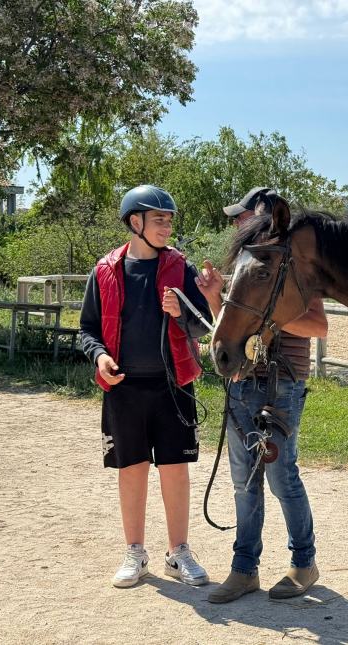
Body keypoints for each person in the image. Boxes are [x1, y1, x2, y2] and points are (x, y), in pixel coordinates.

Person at [196, 187, 328, 604]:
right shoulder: (247, 268)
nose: (238, 225)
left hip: (282, 381)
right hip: (243, 380)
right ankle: (244, 569)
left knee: (280, 475)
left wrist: (271, 320)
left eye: (244, 218)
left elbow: (319, 327)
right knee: (242, 480)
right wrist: (215, 298)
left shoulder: (299, 270)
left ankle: (304, 562)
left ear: (267, 219)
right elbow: (230, 330)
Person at [79, 185, 213, 588]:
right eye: (159, 219)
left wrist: (180, 314)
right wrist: (99, 356)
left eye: (170, 220)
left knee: (175, 470)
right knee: (131, 469)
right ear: (134, 222)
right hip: (123, 389)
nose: (167, 227)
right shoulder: (104, 270)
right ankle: (135, 552)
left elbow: (204, 325)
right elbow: (87, 329)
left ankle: (179, 552)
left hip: (174, 386)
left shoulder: (181, 268)